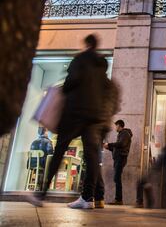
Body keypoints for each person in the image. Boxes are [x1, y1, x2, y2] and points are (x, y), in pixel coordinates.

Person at [28, 34, 118, 209]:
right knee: (92, 158)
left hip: (74, 113)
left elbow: (70, 83)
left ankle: (42, 194)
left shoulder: (80, 60)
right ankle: (87, 199)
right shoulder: (103, 72)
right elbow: (110, 97)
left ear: (86, 44)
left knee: (60, 150)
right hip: (94, 118)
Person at [103, 120, 133, 205]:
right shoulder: (121, 134)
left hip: (121, 158)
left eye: (116, 126)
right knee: (116, 178)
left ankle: (119, 200)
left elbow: (121, 144)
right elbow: (117, 147)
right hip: (118, 158)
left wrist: (110, 144)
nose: (115, 128)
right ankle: (118, 199)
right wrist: (108, 147)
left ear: (119, 125)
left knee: (117, 178)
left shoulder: (125, 133)